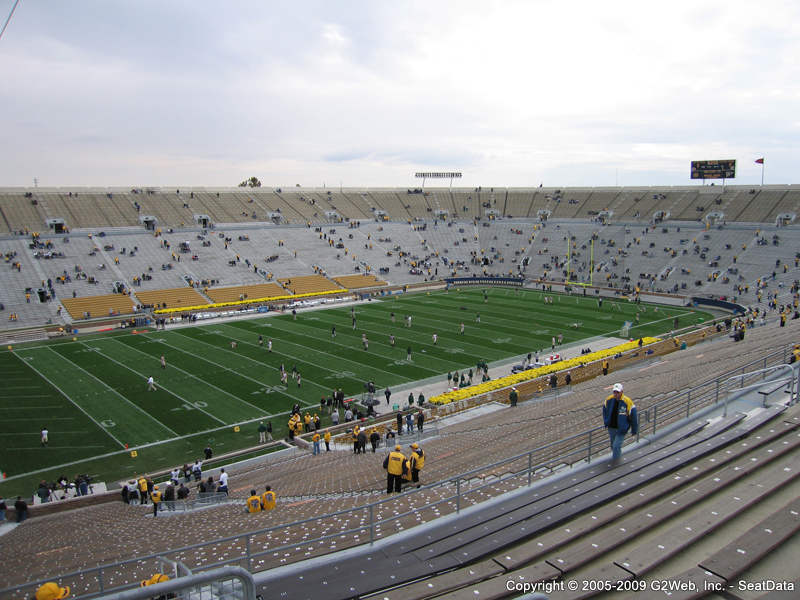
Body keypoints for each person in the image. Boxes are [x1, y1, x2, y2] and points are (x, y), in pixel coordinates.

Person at [602, 383, 638, 465]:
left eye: (617, 392)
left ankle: (616, 463)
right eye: (614, 392)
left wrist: (634, 429)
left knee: (616, 446)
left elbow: (634, 416)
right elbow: (604, 410)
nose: (616, 394)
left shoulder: (627, 401)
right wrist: (606, 421)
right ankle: (617, 457)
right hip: (611, 428)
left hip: (621, 429)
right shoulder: (608, 400)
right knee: (613, 445)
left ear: (622, 392)